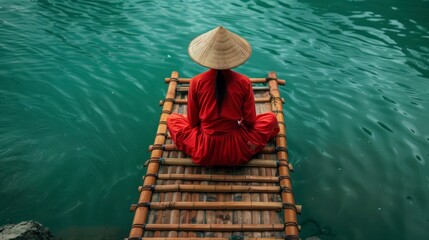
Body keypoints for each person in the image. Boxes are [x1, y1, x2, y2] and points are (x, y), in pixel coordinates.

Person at [167, 26, 279, 166]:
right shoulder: (244, 82)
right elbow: (250, 121)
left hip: (205, 150)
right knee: (270, 118)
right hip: (236, 150)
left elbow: (193, 122)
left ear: (206, 56)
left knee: (172, 119)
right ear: (232, 58)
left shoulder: (196, 82)